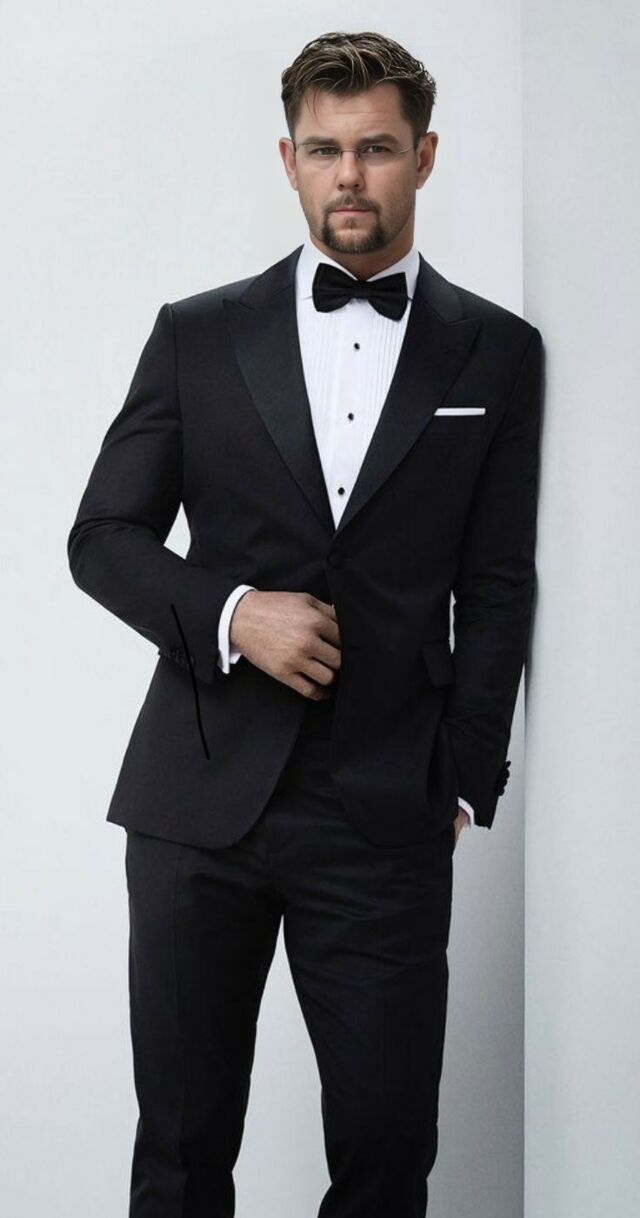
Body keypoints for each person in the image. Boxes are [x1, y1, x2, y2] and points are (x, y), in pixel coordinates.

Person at [67, 29, 543, 1218]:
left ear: (423, 156)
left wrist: (461, 773)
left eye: (375, 148)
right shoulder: (197, 333)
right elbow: (103, 538)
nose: (349, 176)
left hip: (383, 808)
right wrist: (234, 613)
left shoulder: (497, 351)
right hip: (196, 803)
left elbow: (496, 583)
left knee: (384, 1160)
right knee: (181, 1155)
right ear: (288, 160)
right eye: (324, 150)